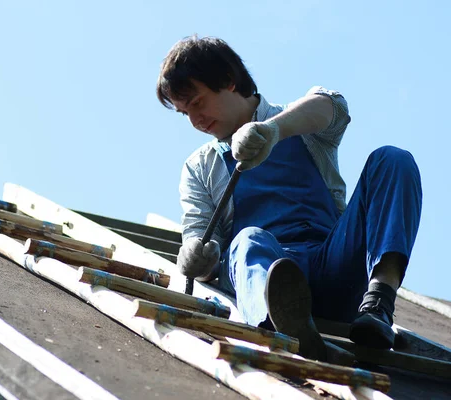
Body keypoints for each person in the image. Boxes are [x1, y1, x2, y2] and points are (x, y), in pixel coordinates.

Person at [156, 36, 422, 360]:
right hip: (270, 275)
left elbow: (332, 106)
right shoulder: (200, 167)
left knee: (393, 159)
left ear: (228, 80)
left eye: (197, 103)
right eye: (185, 114)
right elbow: (198, 236)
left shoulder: (299, 122)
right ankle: (282, 330)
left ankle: (379, 301)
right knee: (247, 240)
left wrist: (273, 131)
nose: (195, 121)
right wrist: (198, 258)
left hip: (332, 266)